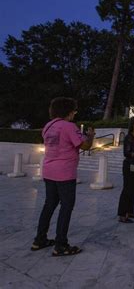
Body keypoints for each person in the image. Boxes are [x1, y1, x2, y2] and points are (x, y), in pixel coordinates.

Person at [31, 97, 94, 256]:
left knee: (49, 205)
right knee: (66, 207)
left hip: (49, 170)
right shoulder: (69, 126)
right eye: (74, 110)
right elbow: (85, 145)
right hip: (65, 173)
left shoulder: (48, 126)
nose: (74, 113)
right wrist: (90, 135)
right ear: (68, 111)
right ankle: (61, 245)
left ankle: (40, 240)